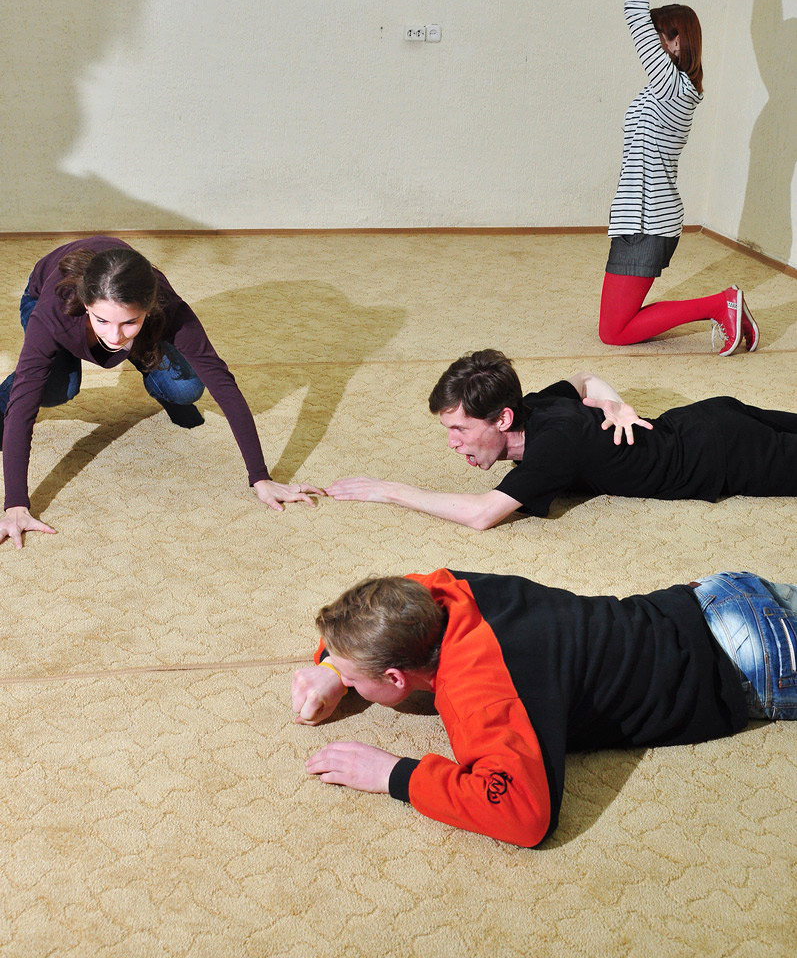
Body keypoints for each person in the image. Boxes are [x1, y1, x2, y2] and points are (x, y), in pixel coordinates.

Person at [292, 568, 796, 847]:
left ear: (396, 678)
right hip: (720, 596)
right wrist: (332, 667)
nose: (346, 681)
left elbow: (522, 815)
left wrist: (393, 774)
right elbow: (391, 592)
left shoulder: (483, 696)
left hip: (752, 661)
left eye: (355, 676)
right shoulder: (446, 592)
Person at [0, 236, 321, 547]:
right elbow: (26, 399)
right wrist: (15, 504)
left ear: (149, 309)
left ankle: (161, 385)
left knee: (185, 388)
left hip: (133, 312)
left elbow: (221, 380)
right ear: (87, 306)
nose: (114, 337)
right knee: (58, 387)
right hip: (45, 298)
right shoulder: (52, 313)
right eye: (102, 321)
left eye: (129, 322)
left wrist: (260, 477)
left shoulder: (168, 306)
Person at [325, 349, 797, 529]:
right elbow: (585, 377)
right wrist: (617, 403)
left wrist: (389, 490)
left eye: (460, 429)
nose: (453, 443)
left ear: (503, 418)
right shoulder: (535, 406)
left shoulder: (552, 448)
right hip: (708, 418)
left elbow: (482, 514)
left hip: (731, 457)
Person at [599, 0, 758, 355]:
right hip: (644, 215)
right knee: (615, 327)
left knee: (614, 332)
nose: (651, 40)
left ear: (676, 40)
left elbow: (633, 14)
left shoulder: (673, 85)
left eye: (659, 34)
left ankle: (720, 304)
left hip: (647, 219)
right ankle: (721, 305)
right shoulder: (673, 88)